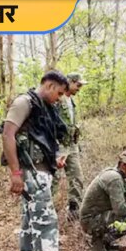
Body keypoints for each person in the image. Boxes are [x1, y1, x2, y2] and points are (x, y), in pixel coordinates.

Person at [2, 70, 81, 251]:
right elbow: (8, 135)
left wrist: (55, 158)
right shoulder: (24, 102)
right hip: (30, 172)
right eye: (58, 93)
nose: (59, 98)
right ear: (48, 86)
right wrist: (15, 173)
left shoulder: (44, 108)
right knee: (46, 222)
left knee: (30, 224)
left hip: (40, 171)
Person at [80, 149, 126, 251]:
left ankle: (102, 241)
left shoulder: (115, 175)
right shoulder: (114, 179)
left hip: (95, 218)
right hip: (91, 221)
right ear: (123, 165)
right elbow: (121, 209)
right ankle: (100, 241)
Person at [52, 72, 87, 220]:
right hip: (58, 145)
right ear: (70, 83)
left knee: (77, 177)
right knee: (53, 180)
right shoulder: (57, 100)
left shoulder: (71, 101)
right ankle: (47, 211)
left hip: (71, 145)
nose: (79, 88)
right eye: (78, 85)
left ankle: (74, 210)